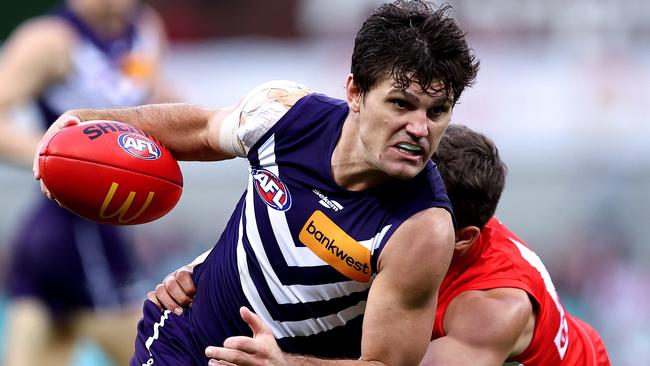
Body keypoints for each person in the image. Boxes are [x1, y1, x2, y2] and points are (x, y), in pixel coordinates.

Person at [33, 1, 480, 365]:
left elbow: (384, 365)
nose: (419, 128)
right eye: (401, 104)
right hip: (182, 343)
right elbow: (200, 129)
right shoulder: (285, 114)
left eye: (436, 112)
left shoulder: (422, 228)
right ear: (355, 93)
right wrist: (87, 121)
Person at [152, 124, 612, 366]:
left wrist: (285, 364)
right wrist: (200, 275)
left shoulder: (489, 309)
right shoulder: (418, 222)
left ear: (464, 238)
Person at [0, 0, 172, 365]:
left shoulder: (145, 30)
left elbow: (161, 101)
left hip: (106, 229)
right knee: (157, 354)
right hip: (73, 232)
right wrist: (64, 157)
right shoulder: (49, 42)